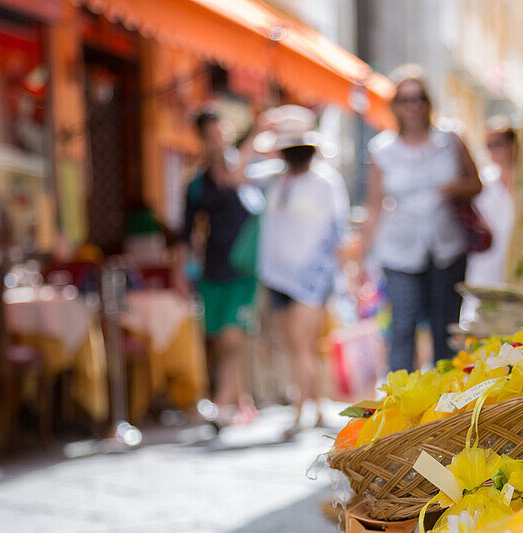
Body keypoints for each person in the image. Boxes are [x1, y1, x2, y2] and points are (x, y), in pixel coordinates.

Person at [361, 66, 483, 372]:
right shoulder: (382, 150)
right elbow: (374, 204)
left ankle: (447, 402)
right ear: (395, 106)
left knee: (446, 328)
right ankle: (401, 404)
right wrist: (360, 255)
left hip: (447, 246)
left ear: (428, 102)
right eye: (404, 100)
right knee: (402, 326)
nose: (412, 106)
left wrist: (455, 188)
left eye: (418, 99)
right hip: (399, 249)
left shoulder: (450, 140)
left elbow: (476, 184)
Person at [255, 106, 349, 436]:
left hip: (313, 277)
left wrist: (347, 275)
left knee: (302, 344)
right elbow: (237, 174)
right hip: (278, 276)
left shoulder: (325, 182)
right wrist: (259, 129)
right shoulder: (274, 181)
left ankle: (301, 413)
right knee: (301, 346)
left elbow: (338, 231)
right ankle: (317, 406)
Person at [182, 110, 262, 426]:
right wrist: (181, 271)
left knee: (232, 337)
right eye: (212, 134)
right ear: (202, 139)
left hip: (244, 269)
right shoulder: (196, 185)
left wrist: (256, 133)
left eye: (222, 132)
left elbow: (238, 177)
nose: (219, 139)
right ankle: (243, 401)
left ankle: (221, 405)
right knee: (224, 339)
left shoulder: (246, 170)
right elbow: (185, 232)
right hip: (212, 270)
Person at [462, 117, 519, 325]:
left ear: (513, 144)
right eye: (489, 146)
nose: (494, 151)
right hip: (489, 263)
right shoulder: (483, 183)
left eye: (498, 144)